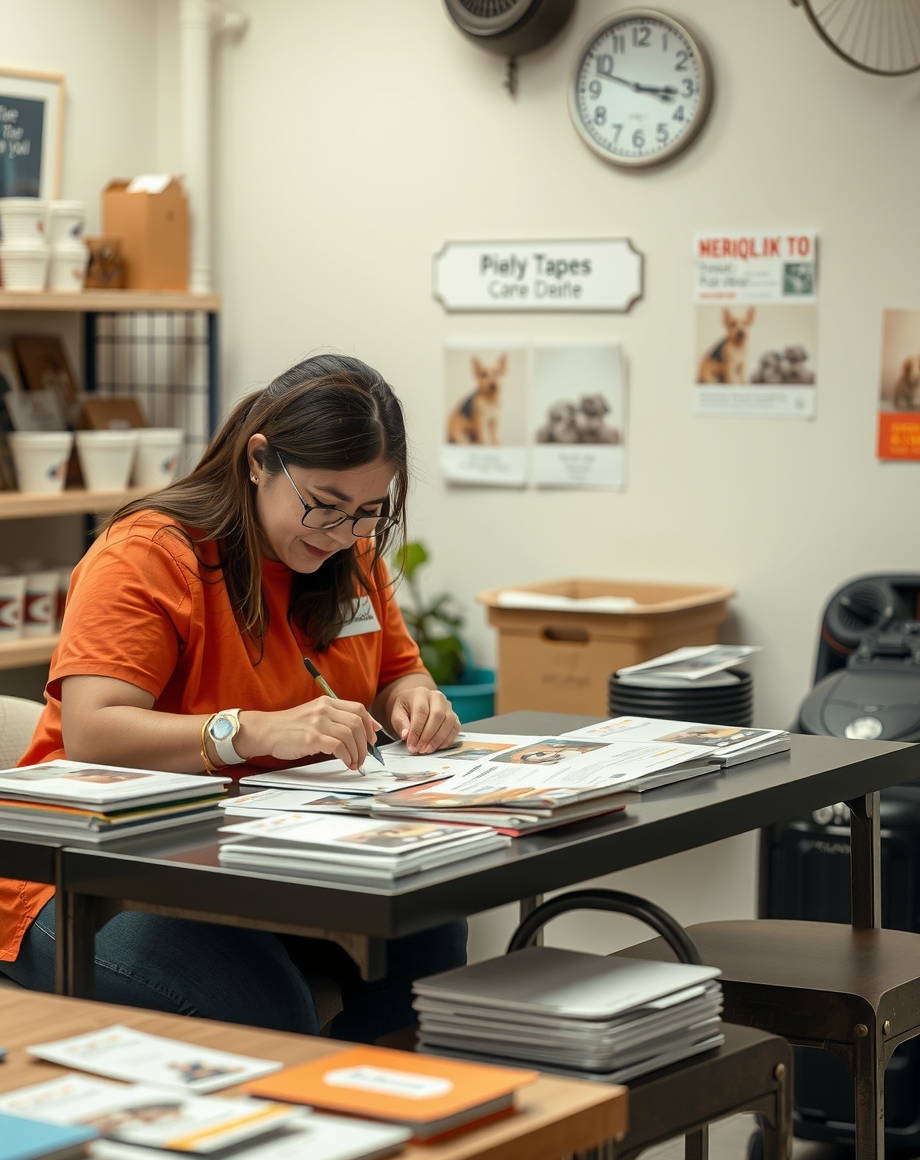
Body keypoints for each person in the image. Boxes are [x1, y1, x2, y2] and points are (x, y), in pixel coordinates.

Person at [0, 354, 465, 1040]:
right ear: (258, 460)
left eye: (368, 512)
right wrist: (251, 732)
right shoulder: (151, 553)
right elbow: (92, 735)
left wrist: (416, 700)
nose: (341, 534)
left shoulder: (350, 560)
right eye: (324, 504)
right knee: (268, 1015)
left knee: (427, 938)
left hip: (260, 860)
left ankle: (397, 1131)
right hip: (84, 875)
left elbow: (399, 671)